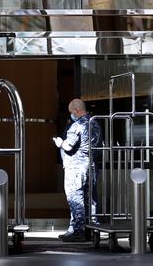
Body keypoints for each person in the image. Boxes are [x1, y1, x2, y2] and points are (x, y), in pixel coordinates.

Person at [52, 99, 101, 242]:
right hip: (91, 166)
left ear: (76, 110)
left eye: (71, 112)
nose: (71, 115)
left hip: (76, 167)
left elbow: (68, 146)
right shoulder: (95, 123)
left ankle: (78, 231)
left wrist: (60, 143)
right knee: (90, 199)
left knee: (76, 198)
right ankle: (91, 229)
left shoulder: (77, 125)